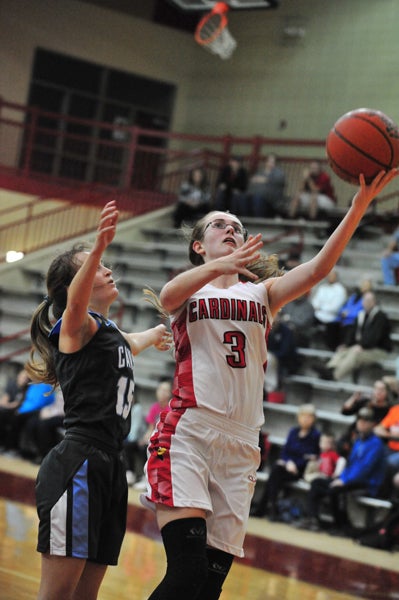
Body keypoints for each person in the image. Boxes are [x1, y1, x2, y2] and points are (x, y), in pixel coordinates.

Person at [141, 167, 398, 600]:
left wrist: (357, 206)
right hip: (190, 432)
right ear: (198, 246)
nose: (231, 229)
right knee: (185, 576)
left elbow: (318, 270)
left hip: (242, 443)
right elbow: (167, 297)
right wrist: (221, 266)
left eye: (237, 227)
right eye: (220, 224)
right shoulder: (190, 293)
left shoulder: (263, 294)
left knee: (207, 587)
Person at [25, 200, 171, 600]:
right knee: (56, 596)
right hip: (78, 463)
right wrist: (100, 246)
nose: (106, 269)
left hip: (112, 466)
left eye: (102, 263)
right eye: (93, 265)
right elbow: (74, 302)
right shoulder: (73, 325)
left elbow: (133, 343)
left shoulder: (107, 332)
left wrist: (157, 333)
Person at [298, 407, 386, 535]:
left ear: (373, 424)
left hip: (368, 483)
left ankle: (340, 525)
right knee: (317, 482)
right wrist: (341, 477)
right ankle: (313, 519)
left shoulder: (376, 444)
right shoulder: (358, 441)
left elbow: (365, 468)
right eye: (360, 420)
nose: (362, 423)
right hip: (352, 478)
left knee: (336, 489)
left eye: (366, 421)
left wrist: (344, 481)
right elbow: (350, 464)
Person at [250, 404, 321, 519]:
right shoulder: (293, 431)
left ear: (313, 419)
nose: (305, 419)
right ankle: (271, 507)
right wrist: (288, 462)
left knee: (275, 474)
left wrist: (294, 464)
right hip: (287, 467)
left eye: (309, 416)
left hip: (301, 470)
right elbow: (285, 451)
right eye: (303, 416)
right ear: (299, 417)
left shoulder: (315, 435)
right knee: (276, 472)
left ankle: (265, 508)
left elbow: (311, 456)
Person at [314, 291, 392, 381]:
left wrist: (362, 346)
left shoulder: (380, 317)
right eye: (365, 301)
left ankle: (334, 375)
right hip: (362, 346)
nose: (366, 303)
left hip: (378, 350)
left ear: (374, 302)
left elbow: (375, 337)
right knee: (342, 350)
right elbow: (352, 332)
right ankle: (329, 369)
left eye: (368, 301)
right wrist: (346, 344)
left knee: (354, 354)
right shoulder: (361, 315)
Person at [133, 378, 172, 490]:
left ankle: (155, 480)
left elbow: (168, 434)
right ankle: (144, 477)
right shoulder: (154, 407)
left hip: (165, 443)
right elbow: (150, 428)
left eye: (165, 390)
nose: (162, 392)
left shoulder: (170, 409)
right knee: (141, 445)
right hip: (154, 439)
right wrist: (145, 438)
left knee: (159, 453)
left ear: (170, 393)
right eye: (160, 389)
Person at [338, 379, 391, 458]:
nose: (378, 392)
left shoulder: (389, 409)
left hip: (372, 440)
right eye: (376, 389)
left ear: (387, 392)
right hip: (354, 436)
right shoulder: (365, 402)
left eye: (382, 390)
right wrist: (354, 398)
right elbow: (345, 411)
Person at [310, 269, 347, 350]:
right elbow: (314, 302)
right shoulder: (322, 288)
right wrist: (321, 307)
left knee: (332, 332)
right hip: (318, 316)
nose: (330, 277)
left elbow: (335, 307)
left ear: (336, 277)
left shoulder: (340, 290)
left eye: (332, 275)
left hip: (332, 318)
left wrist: (321, 307)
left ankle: (330, 349)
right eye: (329, 275)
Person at [332, 277, 373, 347]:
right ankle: (333, 347)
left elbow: (363, 311)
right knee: (332, 325)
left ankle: (345, 346)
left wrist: (348, 314)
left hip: (355, 320)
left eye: (366, 286)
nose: (364, 287)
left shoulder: (369, 298)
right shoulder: (354, 296)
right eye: (363, 285)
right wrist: (342, 312)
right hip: (344, 319)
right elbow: (345, 307)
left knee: (350, 327)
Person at [242, 154, 286, 218]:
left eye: (272, 162)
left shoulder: (279, 173)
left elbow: (279, 180)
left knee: (257, 198)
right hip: (255, 195)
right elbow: (253, 182)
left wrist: (266, 180)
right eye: (269, 161)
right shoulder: (260, 172)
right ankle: (243, 220)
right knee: (243, 197)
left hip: (270, 200)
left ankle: (258, 221)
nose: (270, 164)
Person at [264, 313, 298, 393]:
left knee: (268, 357)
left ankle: (270, 387)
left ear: (279, 318)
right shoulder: (265, 330)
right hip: (269, 359)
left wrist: (270, 354)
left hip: (285, 361)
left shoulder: (286, 331)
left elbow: (284, 352)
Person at [0, 367, 30, 450]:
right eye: (22, 377)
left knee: (12, 421)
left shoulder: (26, 389)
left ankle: (9, 447)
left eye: (26, 378)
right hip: (7, 409)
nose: (23, 379)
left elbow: (16, 404)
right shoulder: (12, 384)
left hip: (17, 411)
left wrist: (6, 405)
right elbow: (4, 399)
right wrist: (5, 404)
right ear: (18, 376)